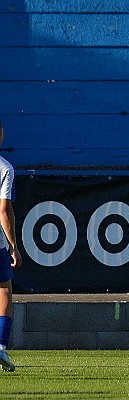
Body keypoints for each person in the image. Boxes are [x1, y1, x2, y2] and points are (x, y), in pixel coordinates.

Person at [0, 122, 22, 372]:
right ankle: (1, 348)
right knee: (3, 290)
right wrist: (13, 245)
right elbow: (3, 209)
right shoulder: (5, 168)